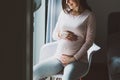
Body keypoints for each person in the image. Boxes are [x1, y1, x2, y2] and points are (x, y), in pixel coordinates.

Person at [33, 0, 96, 80]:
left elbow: (89, 42)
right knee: (35, 71)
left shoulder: (89, 15)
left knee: (67, 78)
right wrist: (61, 35)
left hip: (78, 61)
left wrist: (73, 58)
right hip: (59, 58)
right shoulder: (64, 13)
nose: (66, 2)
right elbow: (54, 35)